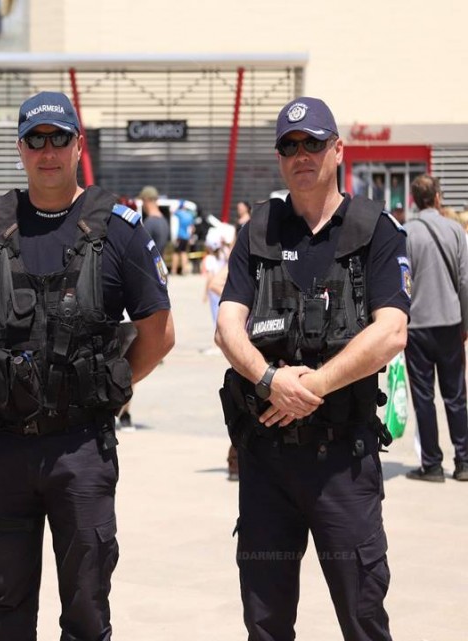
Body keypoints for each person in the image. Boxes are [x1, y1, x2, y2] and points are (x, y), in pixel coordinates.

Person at [0, 91, 174, 641]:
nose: (47, 151)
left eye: (59, 138)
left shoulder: (119, 229)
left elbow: (159, 335)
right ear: (20, 149)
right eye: (35, 139)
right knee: (7, 604)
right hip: (5, 444)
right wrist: (15, 381)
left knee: (88, 609)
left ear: (79, 145)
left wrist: (103, 386)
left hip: (81, 449)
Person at [215, 96, 410, 640]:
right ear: (280, 158)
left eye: (313, 143)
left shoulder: (375, 229)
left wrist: (314, 386)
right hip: (266, 465)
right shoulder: (259, 233)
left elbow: (392, 329)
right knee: (266, 619)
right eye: (289, 146)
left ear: (337, 149)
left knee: (363, 615)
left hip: (342, 466)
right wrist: (269, 379)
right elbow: (227, 325)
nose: (302, 154)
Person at [402, 174, 468, 482]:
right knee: (456, 396)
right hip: (450, 322)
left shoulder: (406, 233)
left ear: (415, 200)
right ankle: (464, 461)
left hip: (417, 326)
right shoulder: (456, 230)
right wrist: (465, 323)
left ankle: (431, 464)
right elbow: (466, 282)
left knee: (424, 396)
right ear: (438, 198)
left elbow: (402, 284)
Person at [139, 185, 171, 268]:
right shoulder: (164, 220)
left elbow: (142, 251)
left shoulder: (149, 222)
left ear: (146, 200)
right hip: (160, 268)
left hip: (150, 269)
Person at [171, 201, 195, 276]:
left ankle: (173, 271)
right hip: (186, 237)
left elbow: (172, 211)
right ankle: (184, 270)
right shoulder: (190, 215)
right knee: (184, 252)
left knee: (176, 253)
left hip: (180, 236)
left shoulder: (180, 213)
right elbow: (192, 228)